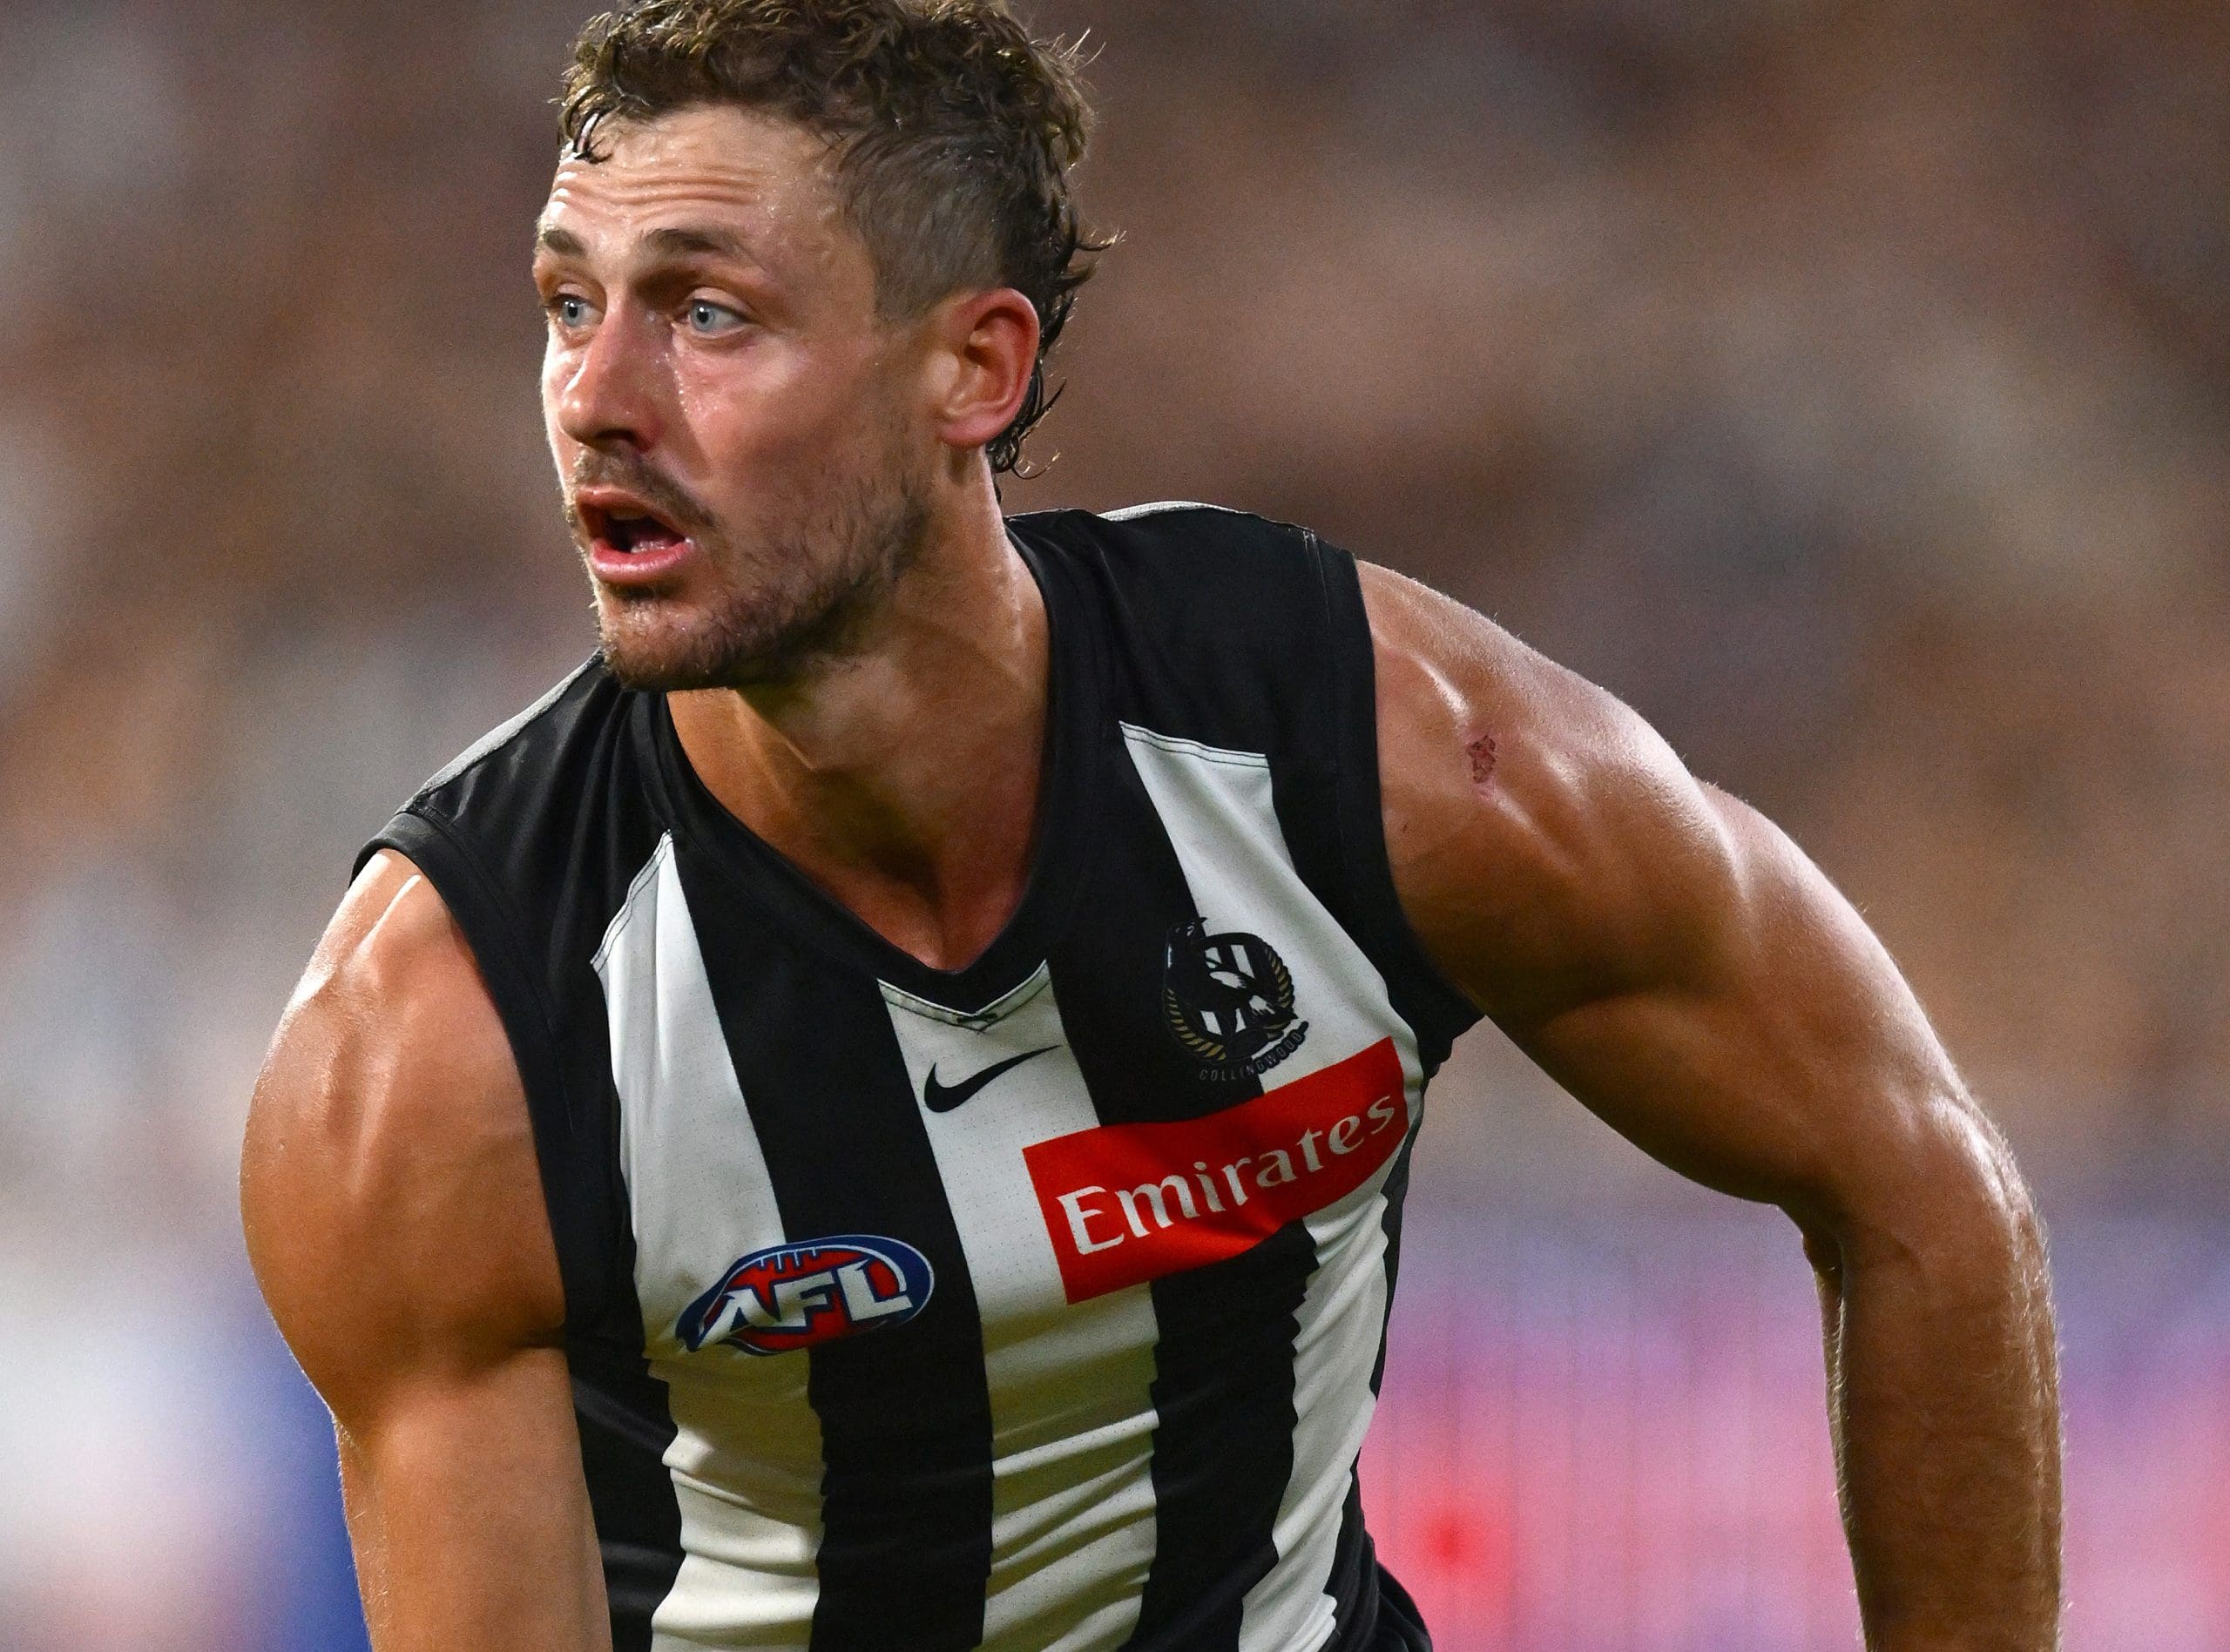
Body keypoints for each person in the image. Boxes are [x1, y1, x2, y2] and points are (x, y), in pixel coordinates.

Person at [240, 2, 2063, 1648]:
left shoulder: (1375, 755)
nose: (596, 398)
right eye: (570, 305)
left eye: (707, 313)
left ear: (974, 368)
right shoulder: (448, 1036)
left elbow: (1922, 1189)